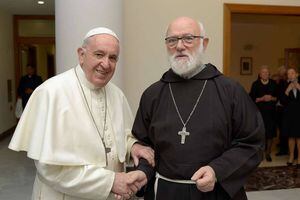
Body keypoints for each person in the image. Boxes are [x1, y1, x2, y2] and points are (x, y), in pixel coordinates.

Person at [9, 27, 153, 200]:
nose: (106, 64)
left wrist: (133, 147)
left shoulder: (116, 94)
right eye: (99, 54)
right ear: (81, 54)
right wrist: (111, 181)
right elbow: (50, 168)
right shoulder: (51, 92)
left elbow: (121, 136)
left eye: (113, 58)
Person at [132, 17, 264, 200]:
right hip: (165, 192)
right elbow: (143, 145)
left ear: (204, 42)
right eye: (172, 40)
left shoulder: (230, 91)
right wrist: (143, 172)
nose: (179, 46)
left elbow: (252, 143)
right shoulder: (153, 94)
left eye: (188, 38)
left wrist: (216, 170)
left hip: (216, 193)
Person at [249, 66, 278, 162]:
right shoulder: (255, 84)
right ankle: (260, 153)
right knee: (260, 134)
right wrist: (262, 98)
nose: (265, 74)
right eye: (263, 72)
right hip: (259, 113)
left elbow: (278, 98)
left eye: (266, 72)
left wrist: (271, 98)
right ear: (260, 74)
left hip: (271, 114)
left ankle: (268, 153)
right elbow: (251, 98)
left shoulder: (274, 84)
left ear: (269, 74)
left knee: (270, 134)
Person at [279, 67, 300, 168]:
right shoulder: (283, 85)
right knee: (291, 136)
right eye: (288, 73)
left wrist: (299, 87)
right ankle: (291, 156)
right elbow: (282, 101)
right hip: (289, 114)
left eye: (292, 73)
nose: (290, 75)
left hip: (299, 113)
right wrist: (287, 90)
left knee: (299, 136)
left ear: (296, 74)